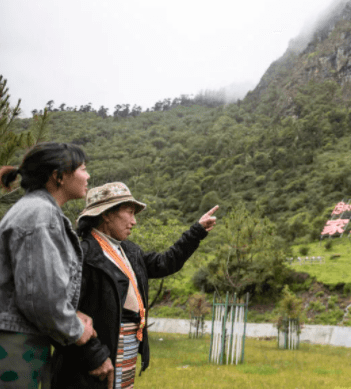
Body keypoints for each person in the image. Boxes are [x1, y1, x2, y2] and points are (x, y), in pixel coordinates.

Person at [50, 182, 218, 389]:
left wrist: (197, 231)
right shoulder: (81, 255)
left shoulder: (129, 252)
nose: (134, 221)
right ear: (107, 214)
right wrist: (94, 355)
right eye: (129, 213)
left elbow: (164, 263)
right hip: (92, 363)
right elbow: (61, 315)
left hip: (125, 355)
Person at [0, 142, 97, 388]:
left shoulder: (36, 210)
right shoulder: (40, 215)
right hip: (15, 346)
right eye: (83, 168)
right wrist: (76, 329)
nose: (88, 175)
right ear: (59, 177)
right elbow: (40, 298)